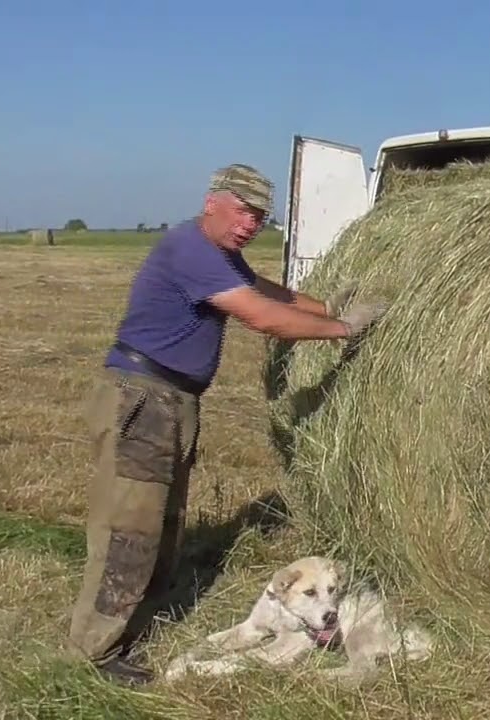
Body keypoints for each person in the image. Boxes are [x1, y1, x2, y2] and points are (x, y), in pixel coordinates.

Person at [65, 163, 386, 686]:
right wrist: (342, 329)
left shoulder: (221, 257)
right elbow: (262, 318)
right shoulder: (190, 250)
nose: (249, 224)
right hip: (142, 398)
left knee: (164, 523)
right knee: (130, 529)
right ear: (212, 202)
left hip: (172, 400)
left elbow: (272, 294)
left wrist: (326, 306)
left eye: (259, 217)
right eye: (242, 211)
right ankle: (94, 653)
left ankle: (135, 625)